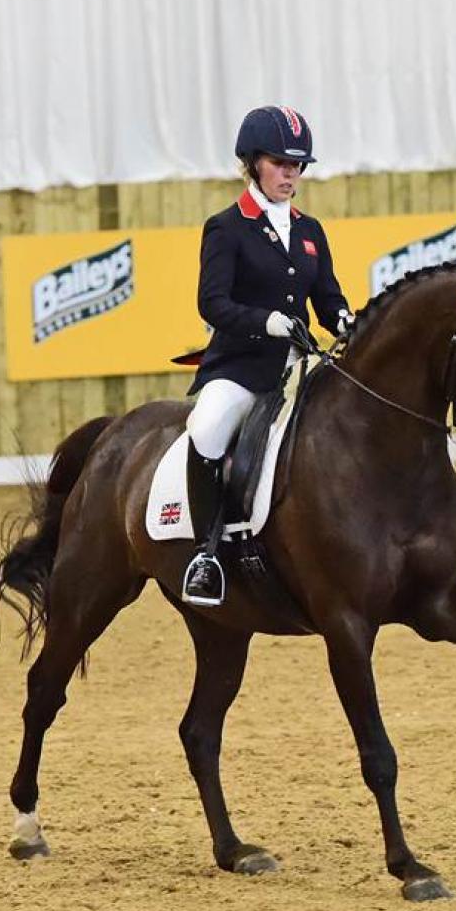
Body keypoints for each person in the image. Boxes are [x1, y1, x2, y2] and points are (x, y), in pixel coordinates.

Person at [182, 105, 354, 607]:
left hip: (293, 371)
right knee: (208, 428)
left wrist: (343, 319)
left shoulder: (309, 231)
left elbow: (328, 298)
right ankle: (205, 554)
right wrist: (265, 322)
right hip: (238, 369)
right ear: (254, 163)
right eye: (281, 163)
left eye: (298, 165)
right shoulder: (226, 228)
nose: (290, 174)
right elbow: (211, 303)